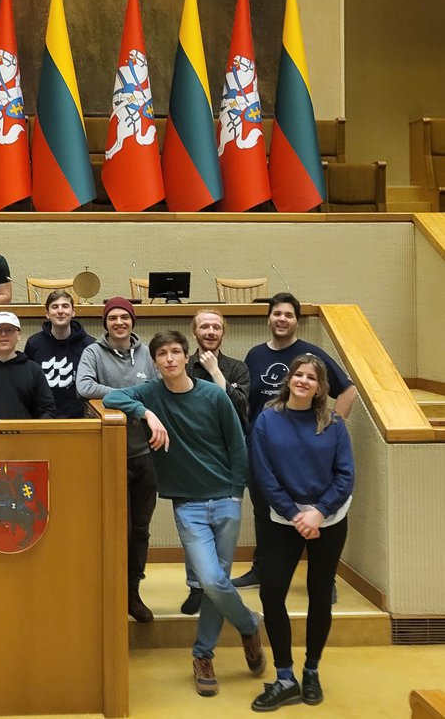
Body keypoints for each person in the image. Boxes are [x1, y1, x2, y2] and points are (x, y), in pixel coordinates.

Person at [104, 331, 265, 698]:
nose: (170, 359)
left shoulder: (213, 395)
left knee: (215, 583)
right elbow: (111, 397)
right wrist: (147, 414)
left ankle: (202, 656)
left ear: (186, 356)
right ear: (155, 362)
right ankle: (248, 624)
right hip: (187, 504)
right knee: (212, 580)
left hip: (225, 498)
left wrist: (236, 492)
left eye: (176, 352)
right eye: (162, 354)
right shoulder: (150, 393)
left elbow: (237, 443)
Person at [249, 354, 354, 711]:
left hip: (329, 519)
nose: (304, 381)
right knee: (272, 592)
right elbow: (263, 474)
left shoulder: (333, 422)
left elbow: (345, 474)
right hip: (284, 520)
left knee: (320, 593)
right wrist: (296, 514)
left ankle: (311, 671)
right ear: (289, 379)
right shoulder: (268, 419)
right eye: (299, 374)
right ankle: (284, 678)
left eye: (312, 377)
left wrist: (319, 512)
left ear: (321, 387)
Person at [234, 292, 356, 590]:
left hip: (304, 457)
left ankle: (325, 580)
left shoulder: (311, 355)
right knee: (264, 515)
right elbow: (248, 403)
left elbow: (348, 390)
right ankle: (262, 570)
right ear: (268, 318)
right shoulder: (255, 355)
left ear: (296, 321)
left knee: (316, 515)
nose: (282, 319)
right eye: (277, 313)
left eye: (288, 315)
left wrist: (331, 429)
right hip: (263, 451)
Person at [77, 296, 158, 623]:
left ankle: (132, 592)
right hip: (109, 456)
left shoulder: (147, 354)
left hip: (145, 454)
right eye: (113, 318)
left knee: (140, 529)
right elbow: (84, 386)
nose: (119, 323)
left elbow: (158, 389)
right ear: (105, 323)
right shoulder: (92, 353)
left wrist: (117, 396)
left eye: (125, 317)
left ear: (132, 321)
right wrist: (129, 397)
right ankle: (109, 592)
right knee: (114, 528)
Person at [180, 309, 251, 615]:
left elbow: (240, 409)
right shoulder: (184, 365)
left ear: (224, 332)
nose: (210, 331)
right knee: (192, 529)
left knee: (223, 530)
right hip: (191, 455)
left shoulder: (237, 368)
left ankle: (217, 589)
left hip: (225, 457)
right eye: (204, 326)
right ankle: (196, 587)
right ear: (194, 331)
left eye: (216, 327)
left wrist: (216, 373)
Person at [23, 289, 95, 418]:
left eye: (65, 306)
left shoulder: (90, 346)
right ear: (47, 314)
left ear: (73, 312)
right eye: (55, 307)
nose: (60, 311)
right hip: (42, 418)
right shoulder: (34, 344)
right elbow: (28, 384)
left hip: (79, 419)